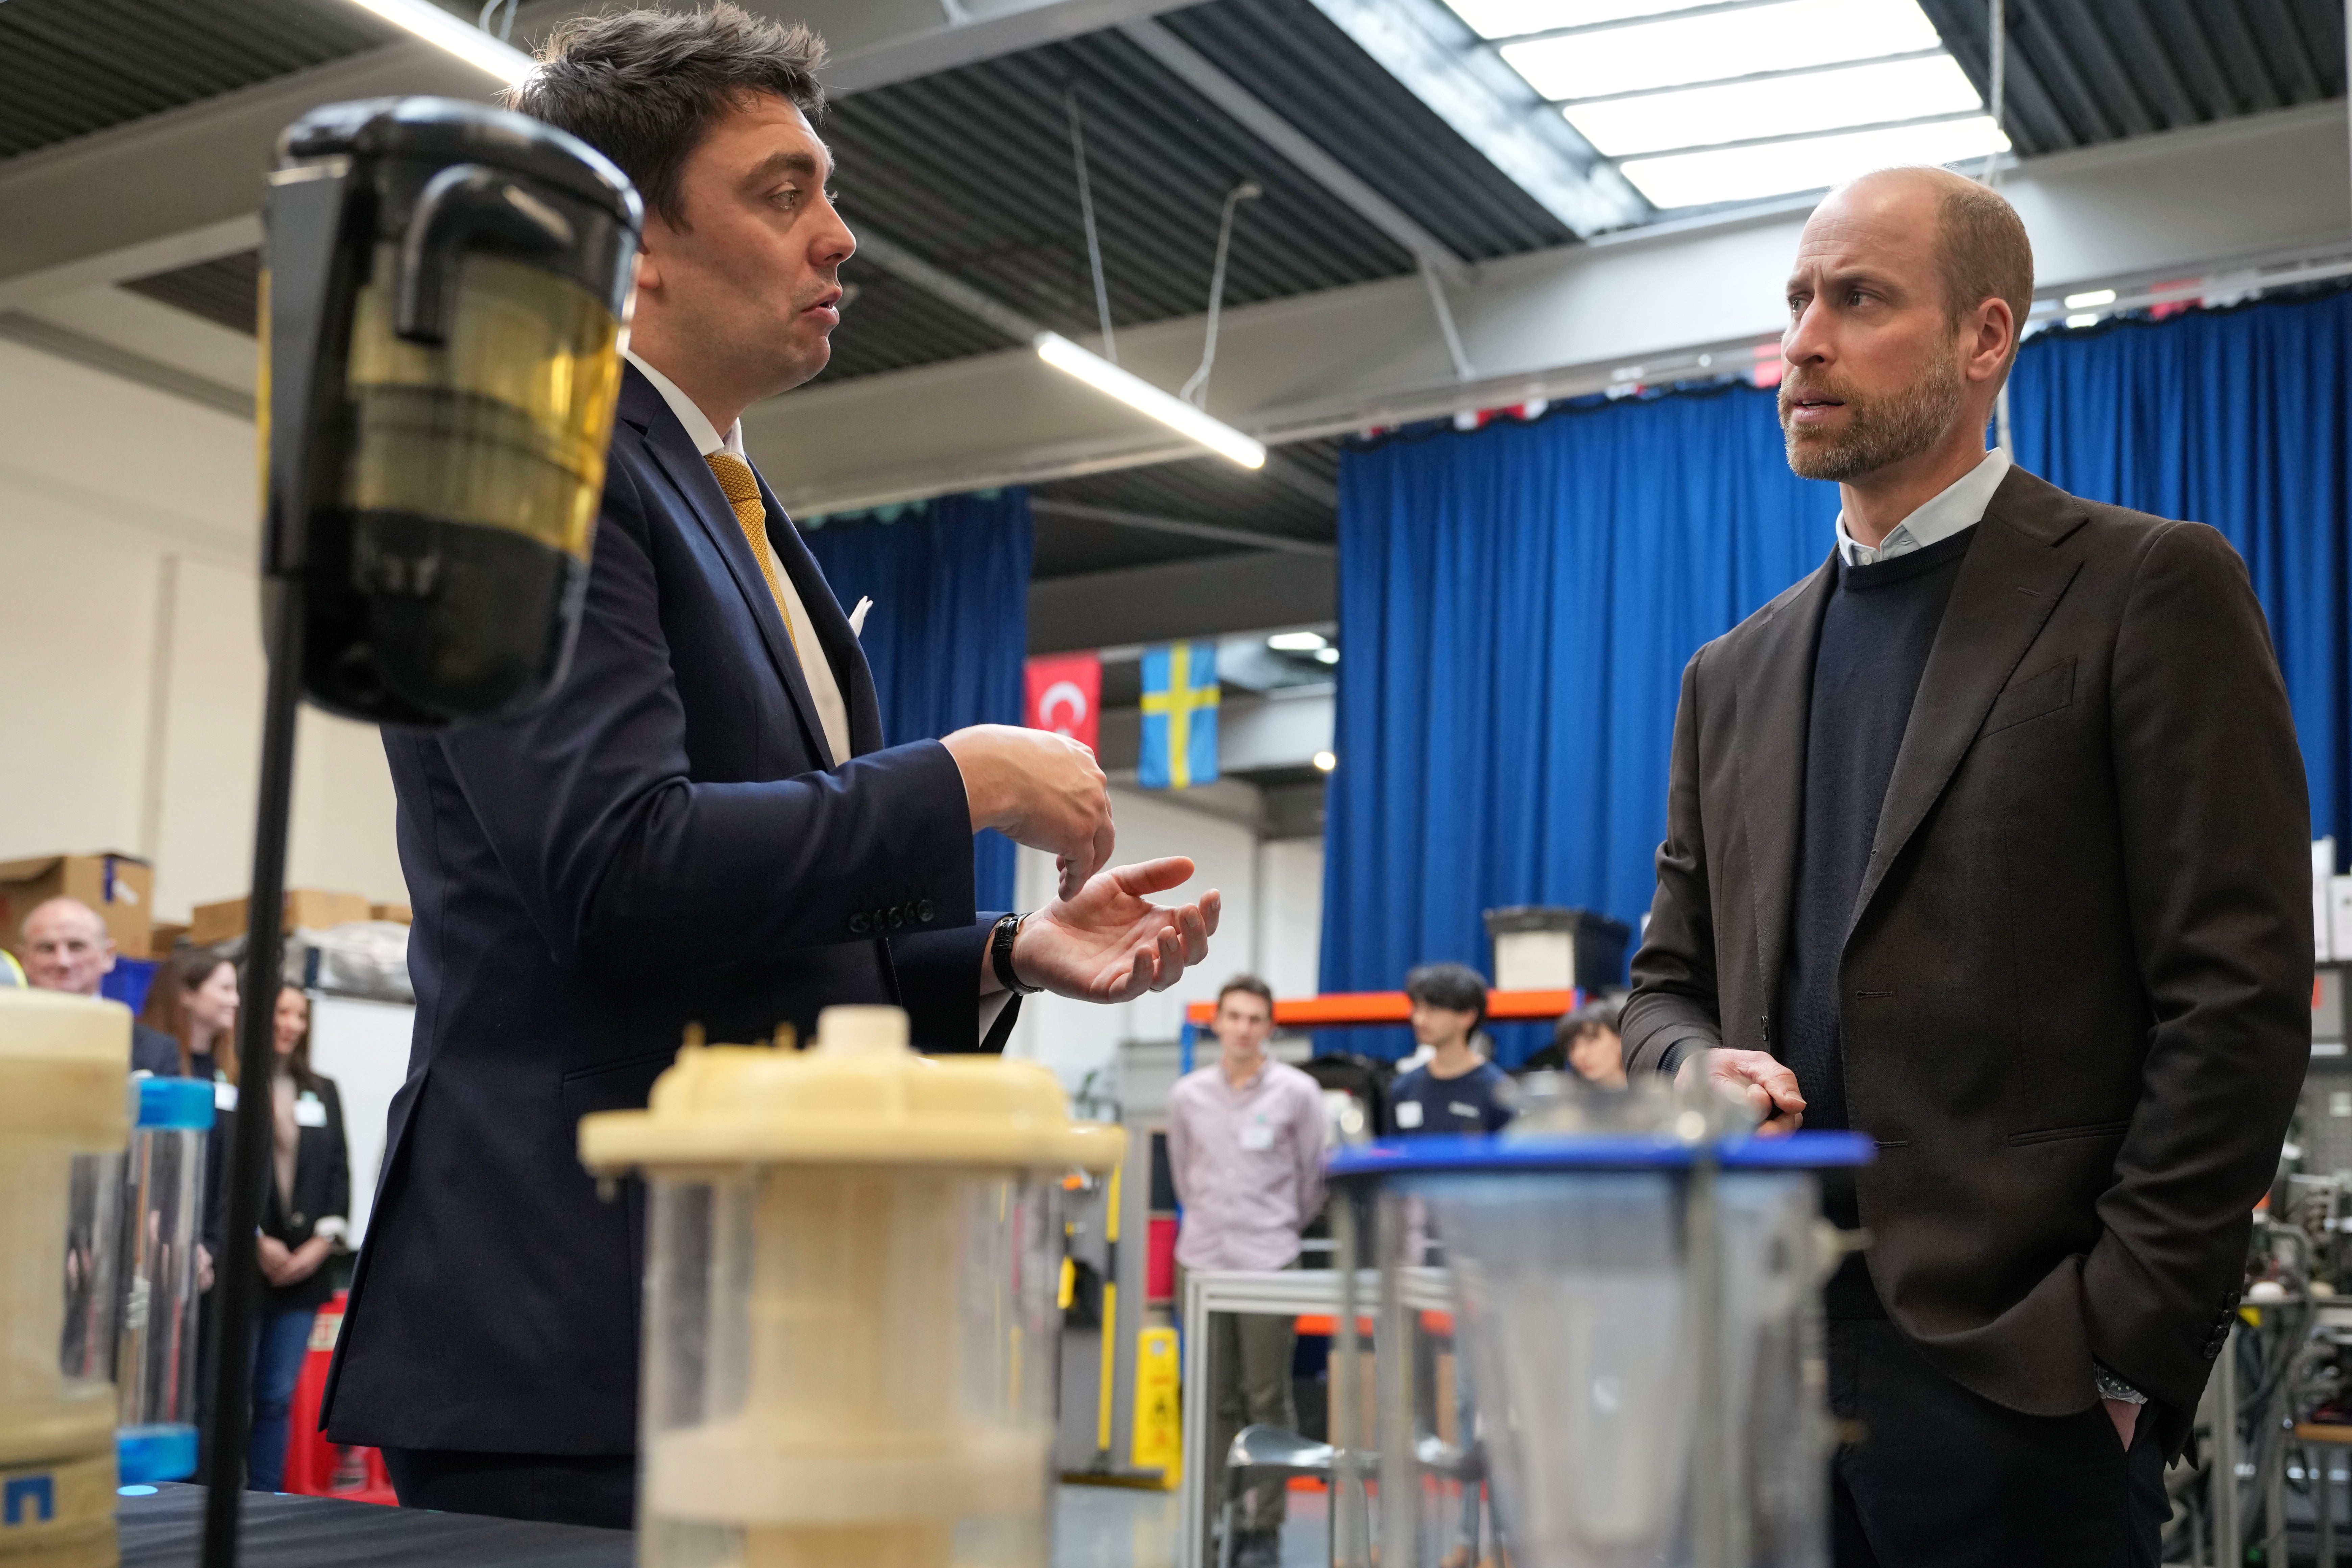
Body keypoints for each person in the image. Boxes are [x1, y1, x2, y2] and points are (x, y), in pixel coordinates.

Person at [320, 6, 1222, 1528]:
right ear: (630, 241)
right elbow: (617, 864)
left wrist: (1008, 952)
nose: (839, 240)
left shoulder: (724, 497)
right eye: (782, 193)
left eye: (829, 192)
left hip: (738, 1311)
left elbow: (756, 961)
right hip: (579, 1318)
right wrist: (962, 781)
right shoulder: (553, 460)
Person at [1622, 166, 2309, 1566]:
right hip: (1759, 1373)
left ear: (1982, 338)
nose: (1802, 339)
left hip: (2025, 1385)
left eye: (1856, 298)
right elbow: (1660, 986)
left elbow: (2233, 1000)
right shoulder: (1728, 676)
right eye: (1795, 300)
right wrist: (1687, 1067)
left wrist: (2118, 1360)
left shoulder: (2143, 589)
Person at [1165, 976, 1326, 1568]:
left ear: (1270, 1027)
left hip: (1267, 1261)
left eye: (1254, 1018)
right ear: (1216, 1021)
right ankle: (1211, 1518)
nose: (1242, 1027)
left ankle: (1262, 1527)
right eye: (1232, 1015)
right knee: (1210, 1401)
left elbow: (1313, 1182)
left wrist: (1277, 1228)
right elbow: (1184, 1174)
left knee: (1265, 1395)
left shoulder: (1298, 1092)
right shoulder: (1186, 1094)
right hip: (1201, 1260)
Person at [211, 987, 348, 1493]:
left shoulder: (322, 1088)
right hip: (245, 1265)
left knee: (277, 1395)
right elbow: (220, 1170)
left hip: (305, 1268)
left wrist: (319, 1245)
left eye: (300, 1015)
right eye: (280, 1012)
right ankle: (224, 1497)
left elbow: (339, 1172)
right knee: (233, 1394)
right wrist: (254, 1239)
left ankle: (263, 1499)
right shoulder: (230, 1081)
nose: (290, 1023)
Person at [19, 897, 180, 1074]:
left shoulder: (156, 1052)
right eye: (47, 948)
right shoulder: (7, 1038)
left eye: (77, 947)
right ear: (24, 960)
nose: (63, 962)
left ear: (108, 956)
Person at [1387, 964, 1514, 1136]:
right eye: (1417, 1008)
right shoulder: (1403, 1089)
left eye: (1433, 1010)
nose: (1419, 1020)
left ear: (1468, 1016)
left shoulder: (1498, 1091)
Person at [142, 947, 238, 1081]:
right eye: (225, 989)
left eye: (235, 990)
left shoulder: (228, 1068)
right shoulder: (150, 1063)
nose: (235, 1001)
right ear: (187, 994)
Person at [1522, 995, 1628, 1088]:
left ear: (1620, 1039)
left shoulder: (1643, 1093)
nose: (1580, 1054)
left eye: (1591, 1041)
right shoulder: (1566, 1106)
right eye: (1572, 1047)